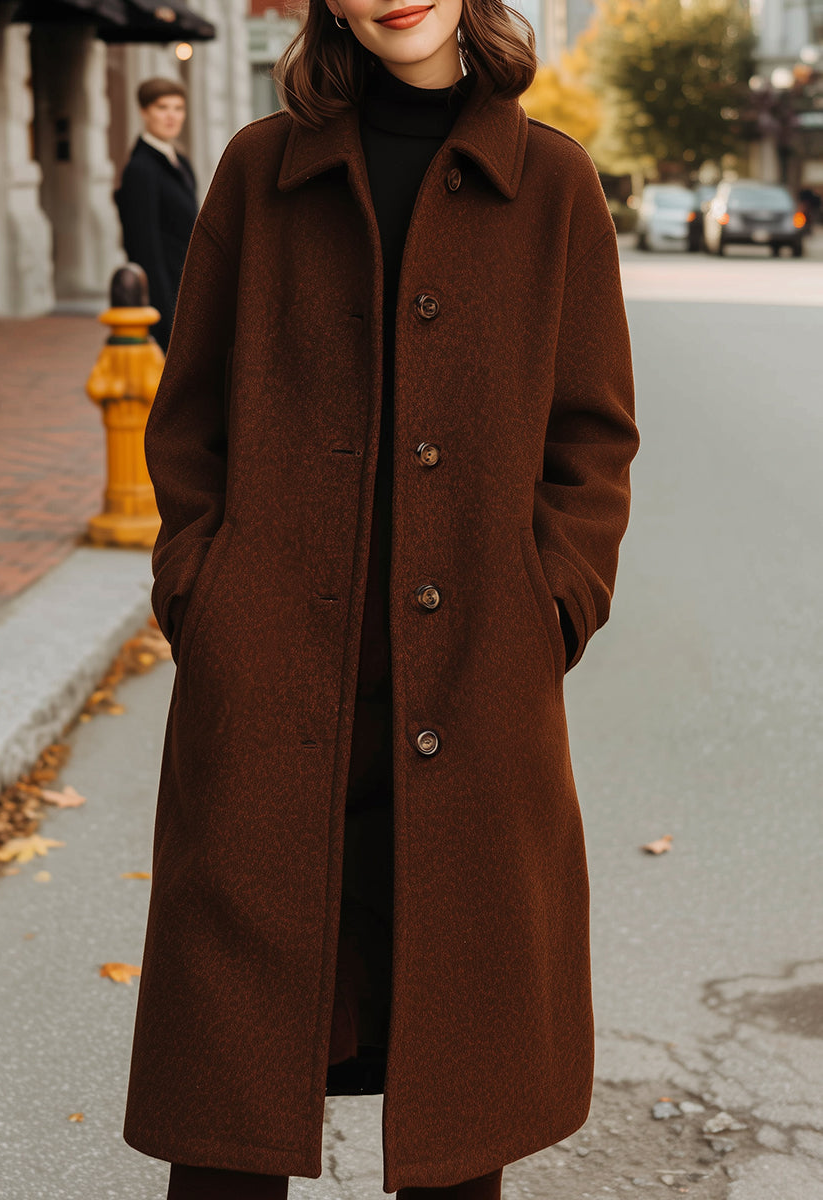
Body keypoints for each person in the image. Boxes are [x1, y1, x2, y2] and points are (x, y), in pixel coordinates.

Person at [123, 0, 639, 1195]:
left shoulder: (552, 183)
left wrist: (548, 604)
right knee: (226, 1128)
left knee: (457, 1117)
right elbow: (187, 418)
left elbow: (592, 441)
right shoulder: (261, 170)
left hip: (473, 700)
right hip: (270, 700)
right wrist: (205, 593)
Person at [115, 78, 198, 352]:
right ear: (144, 111)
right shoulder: (141, 169)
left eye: (178, 108)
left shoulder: (179, 160)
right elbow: (143, 247)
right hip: (165, 301)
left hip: (187, 292)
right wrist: (165, 315)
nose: (172, 116)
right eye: (162, 107)